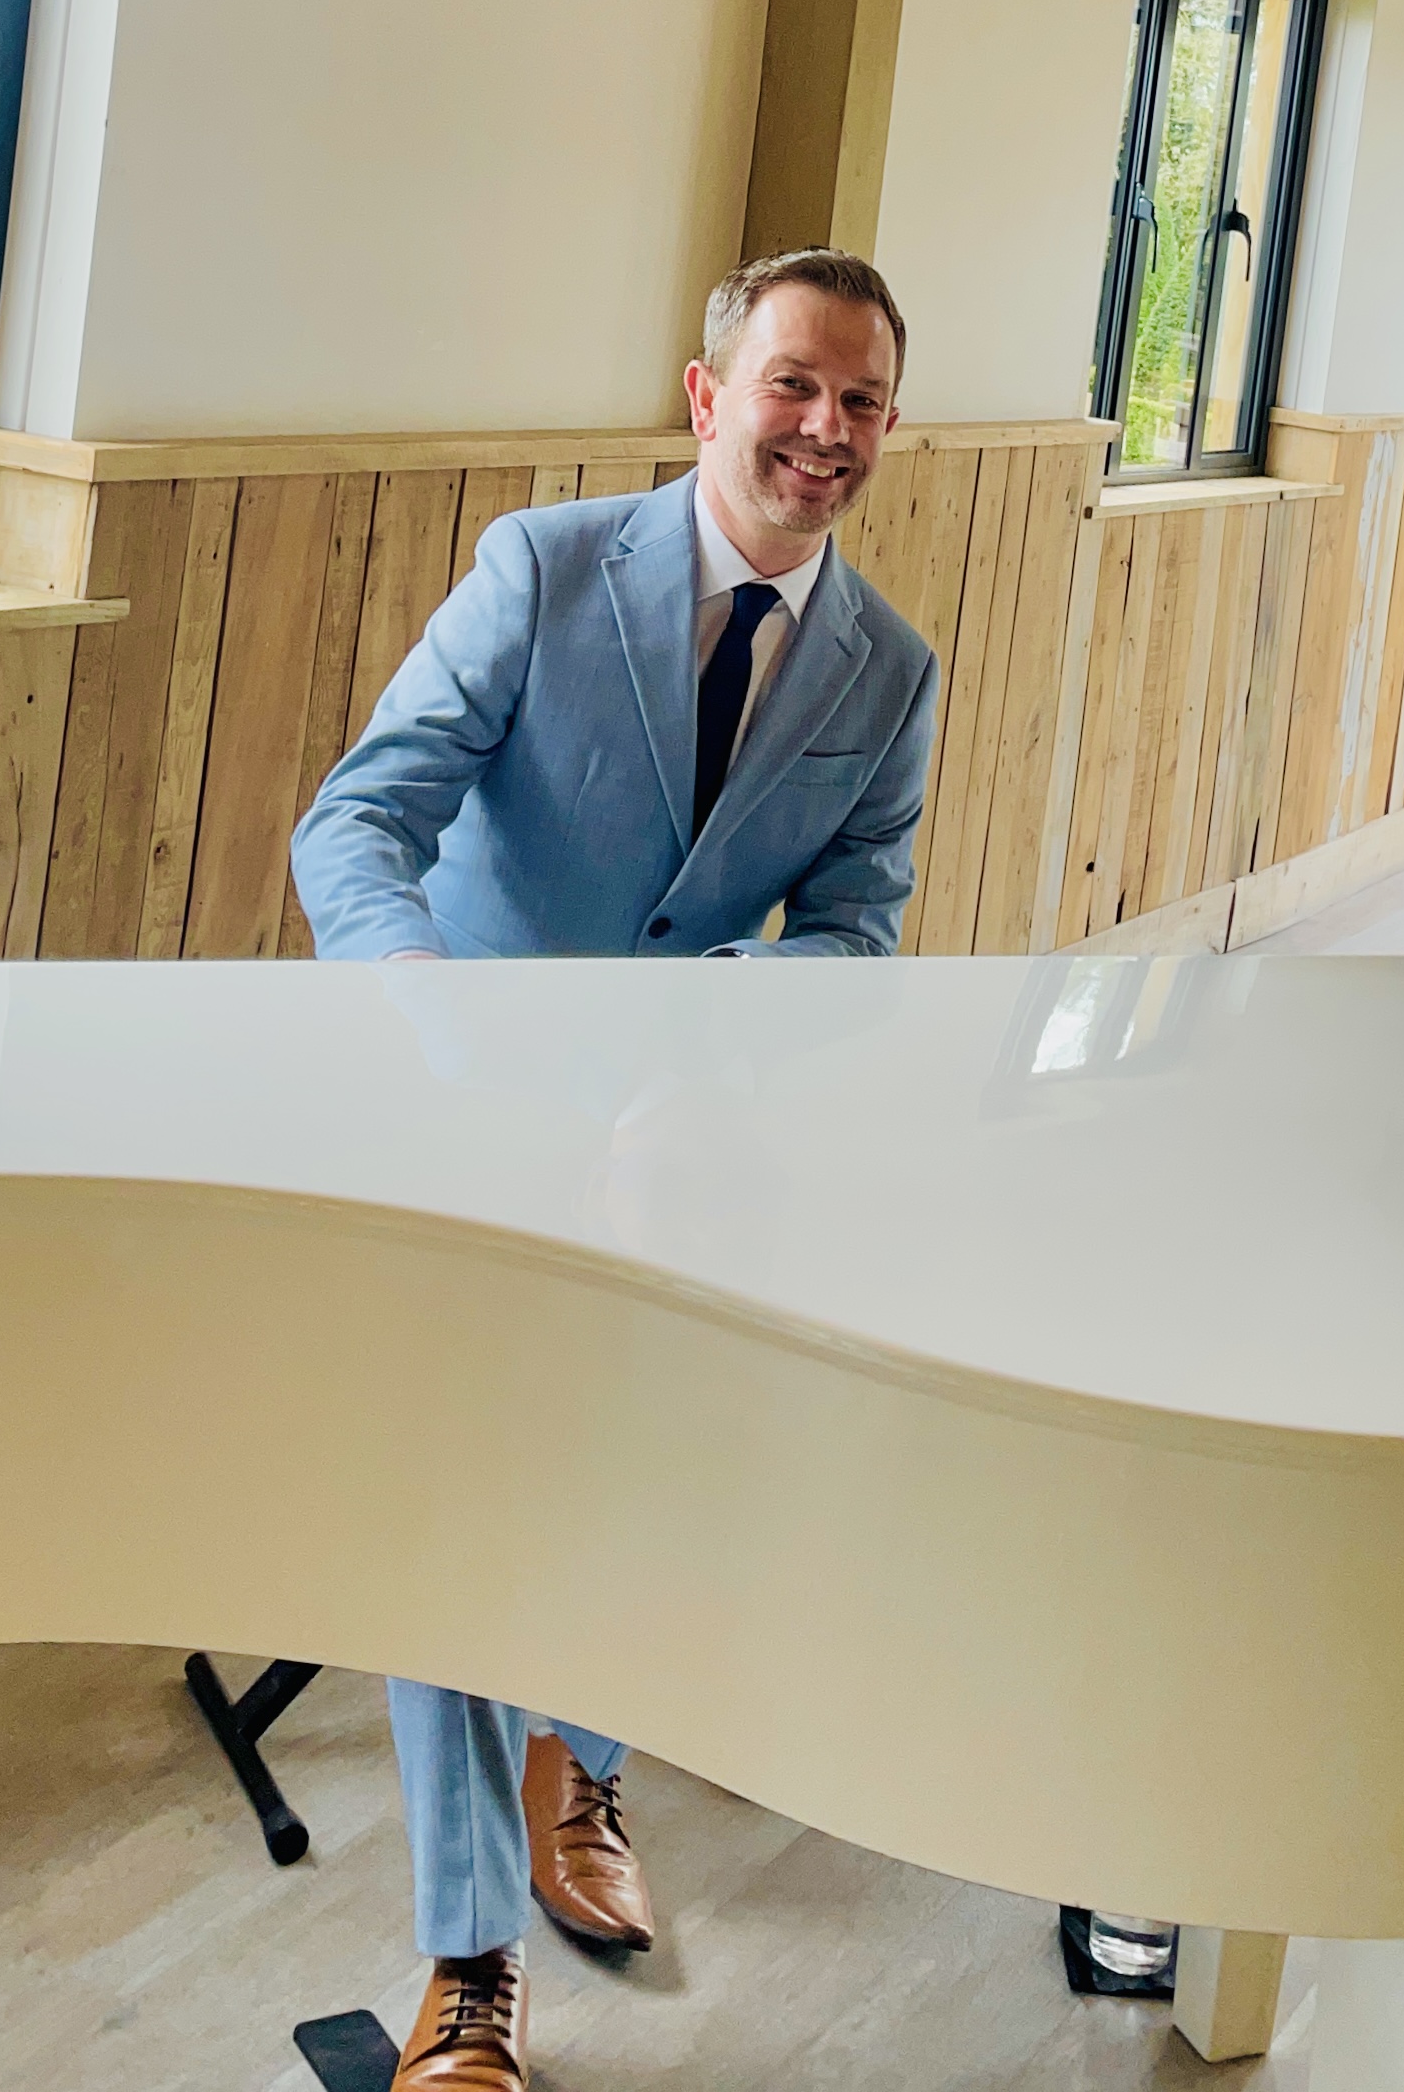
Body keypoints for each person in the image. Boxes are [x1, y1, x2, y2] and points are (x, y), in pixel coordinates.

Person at [291, 247, 938, 2090]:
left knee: (652, 1475)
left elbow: (862, 936)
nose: (825, 430)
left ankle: (593, 1759)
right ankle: (469, 1958)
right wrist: (415, 1008)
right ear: (707, 390)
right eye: (795, 384)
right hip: (466, 1116)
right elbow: (362, 817)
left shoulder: (891, 671)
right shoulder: (547, 567)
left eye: (863, 400)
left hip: (691, 1147)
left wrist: (714, 1032)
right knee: (453, 1514)